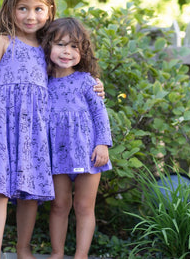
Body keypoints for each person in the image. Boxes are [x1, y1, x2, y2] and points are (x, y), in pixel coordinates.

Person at [0, 0, 104, 259]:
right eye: (23, 8)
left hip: (33, 134)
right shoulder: (1, 42)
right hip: (0, 128)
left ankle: (23, 247)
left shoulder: (47, 48)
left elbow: (69, 78)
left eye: (38, 8)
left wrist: (96, 85)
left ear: (50, 10)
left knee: (28, 192)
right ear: (10, 9)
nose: (30, 16)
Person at [42, 17, 113, 259]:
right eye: (61, 44)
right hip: (57, 156)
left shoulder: (87, 82)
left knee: (84, 206)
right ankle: (57, 252)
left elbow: (100, 115)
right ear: (48, 45)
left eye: (74, 47)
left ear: (83, 52)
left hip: (88, 153)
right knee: (60, 205)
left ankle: (80, 255)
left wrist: (103, 144)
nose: (67, 52)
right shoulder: (42, 82)